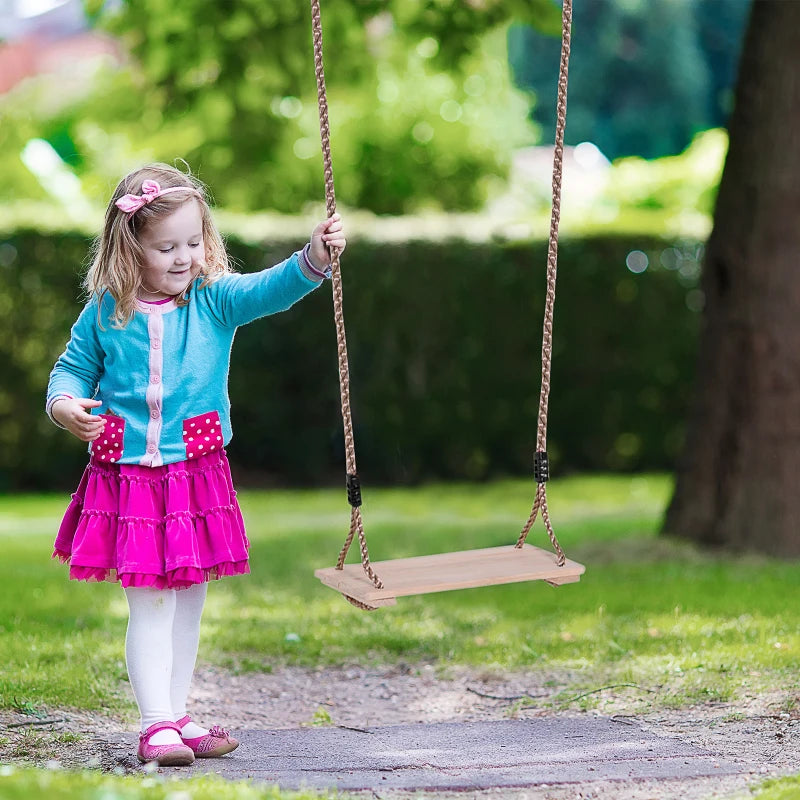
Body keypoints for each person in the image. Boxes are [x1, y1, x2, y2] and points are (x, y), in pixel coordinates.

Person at [46, 163, 345, 767]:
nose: (184, 258)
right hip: (128, 478)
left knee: (189, 601)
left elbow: (272, 287)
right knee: (150, 600)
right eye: (166, 247)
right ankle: (155, 725)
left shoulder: (212, 302)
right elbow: (71, 369)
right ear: (130, 249)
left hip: (193, 474)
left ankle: (177, 715)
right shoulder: (107, 311)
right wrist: (63, 405)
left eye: (193, 242)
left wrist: (313, 257)